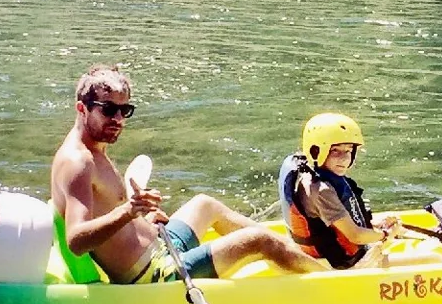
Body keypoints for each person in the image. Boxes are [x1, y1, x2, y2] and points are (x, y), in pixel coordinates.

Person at [50, 65, 323, 284]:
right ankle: (330, 279)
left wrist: (142, 217)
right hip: (157, 273)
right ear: (82, 108)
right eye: (109, 110)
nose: (119, 120)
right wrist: (129, 212)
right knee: (260, 241)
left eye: (125, 110)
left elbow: (107, 211)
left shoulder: (93, 149)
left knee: (206, 204)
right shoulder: (78, 162)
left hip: (161, 243)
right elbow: (76, 241)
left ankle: (294, 253)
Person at [277, 113, 401, 270]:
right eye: (335, 151)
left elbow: (334, 222)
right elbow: (355, 236)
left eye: (348, 151)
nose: (344, 159)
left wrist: (375, 225)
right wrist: (385, 234)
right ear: (316, 151)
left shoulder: (310, 173)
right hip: (339, 266)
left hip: (325, 257)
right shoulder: (321, 190)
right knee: (430, 257)